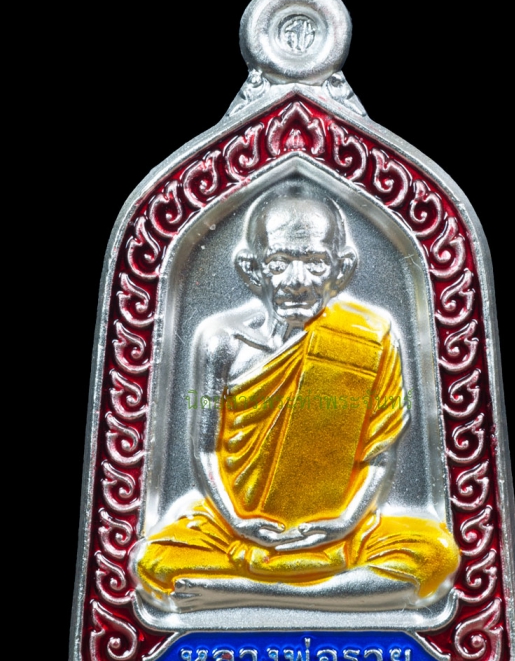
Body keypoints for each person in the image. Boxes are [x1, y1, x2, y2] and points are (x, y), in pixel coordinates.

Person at [134, 178, 459, 609]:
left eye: (316, 263)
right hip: (234, 531)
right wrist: (237, 521)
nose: (297, 281)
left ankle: (242, 592)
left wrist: (345, 522)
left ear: (342, 269)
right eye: (279, 263)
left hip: (345, 534)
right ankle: (323, 594)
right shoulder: (221, 340)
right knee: (154, 561)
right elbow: (206, 449)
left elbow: (379, 456)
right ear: (252, 269)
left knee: (437, 555)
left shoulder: (371, 336)